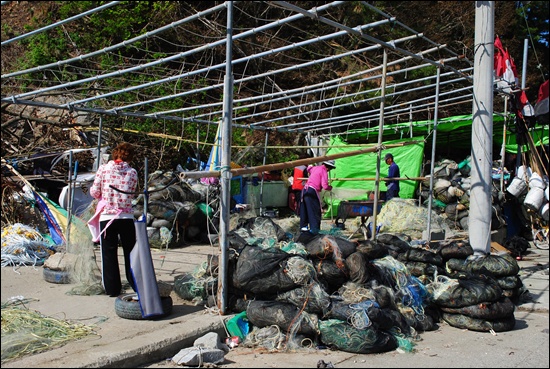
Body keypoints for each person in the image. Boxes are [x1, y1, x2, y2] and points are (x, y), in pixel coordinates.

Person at [90, 142, 139, 297]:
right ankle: (135, 283)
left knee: (108, 253)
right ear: (130, 157)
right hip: (126, 217)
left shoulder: (103, 169)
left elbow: (94, 192)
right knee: (130, 252)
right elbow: (131, 194)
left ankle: (112, 289)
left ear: (115, 153)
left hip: (108, 217)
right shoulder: (132, 172)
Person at [299, 160, 335, 236]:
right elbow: (324, 185)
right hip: (312, 191)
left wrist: (310, 165)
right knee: (314, 211)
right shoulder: (324, 171)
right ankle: (314, 230)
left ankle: (303, 228)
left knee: (304, 210)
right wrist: (330, 187)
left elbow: (309, 169)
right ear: (329, 168)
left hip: (305, 190)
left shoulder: (316, 168)